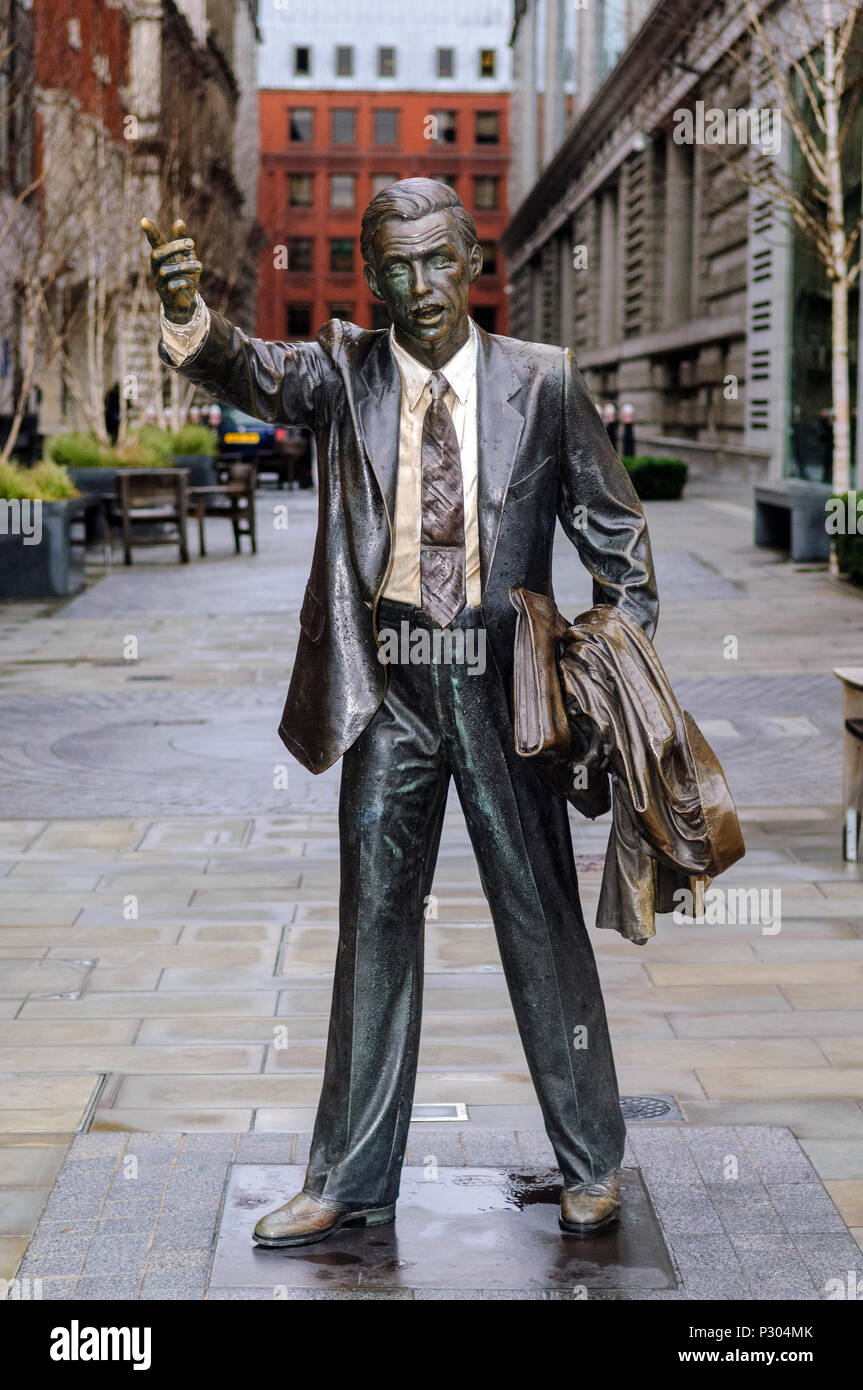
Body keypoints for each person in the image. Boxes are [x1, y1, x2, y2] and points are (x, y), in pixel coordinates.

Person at [141, 179, 658, 1246]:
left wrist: (606, 661)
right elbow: (252, 370)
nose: (418, 286)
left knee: (539, 921)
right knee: (374, 925)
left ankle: (591, 1159)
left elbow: (620, 543)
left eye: (435, 260)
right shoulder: (343, 368)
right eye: (394, 267)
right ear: (369, 277)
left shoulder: (543, 384)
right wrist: (192, 319)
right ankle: (346, 1176)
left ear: (471, 261)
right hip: (389, 690)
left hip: (501, 683)